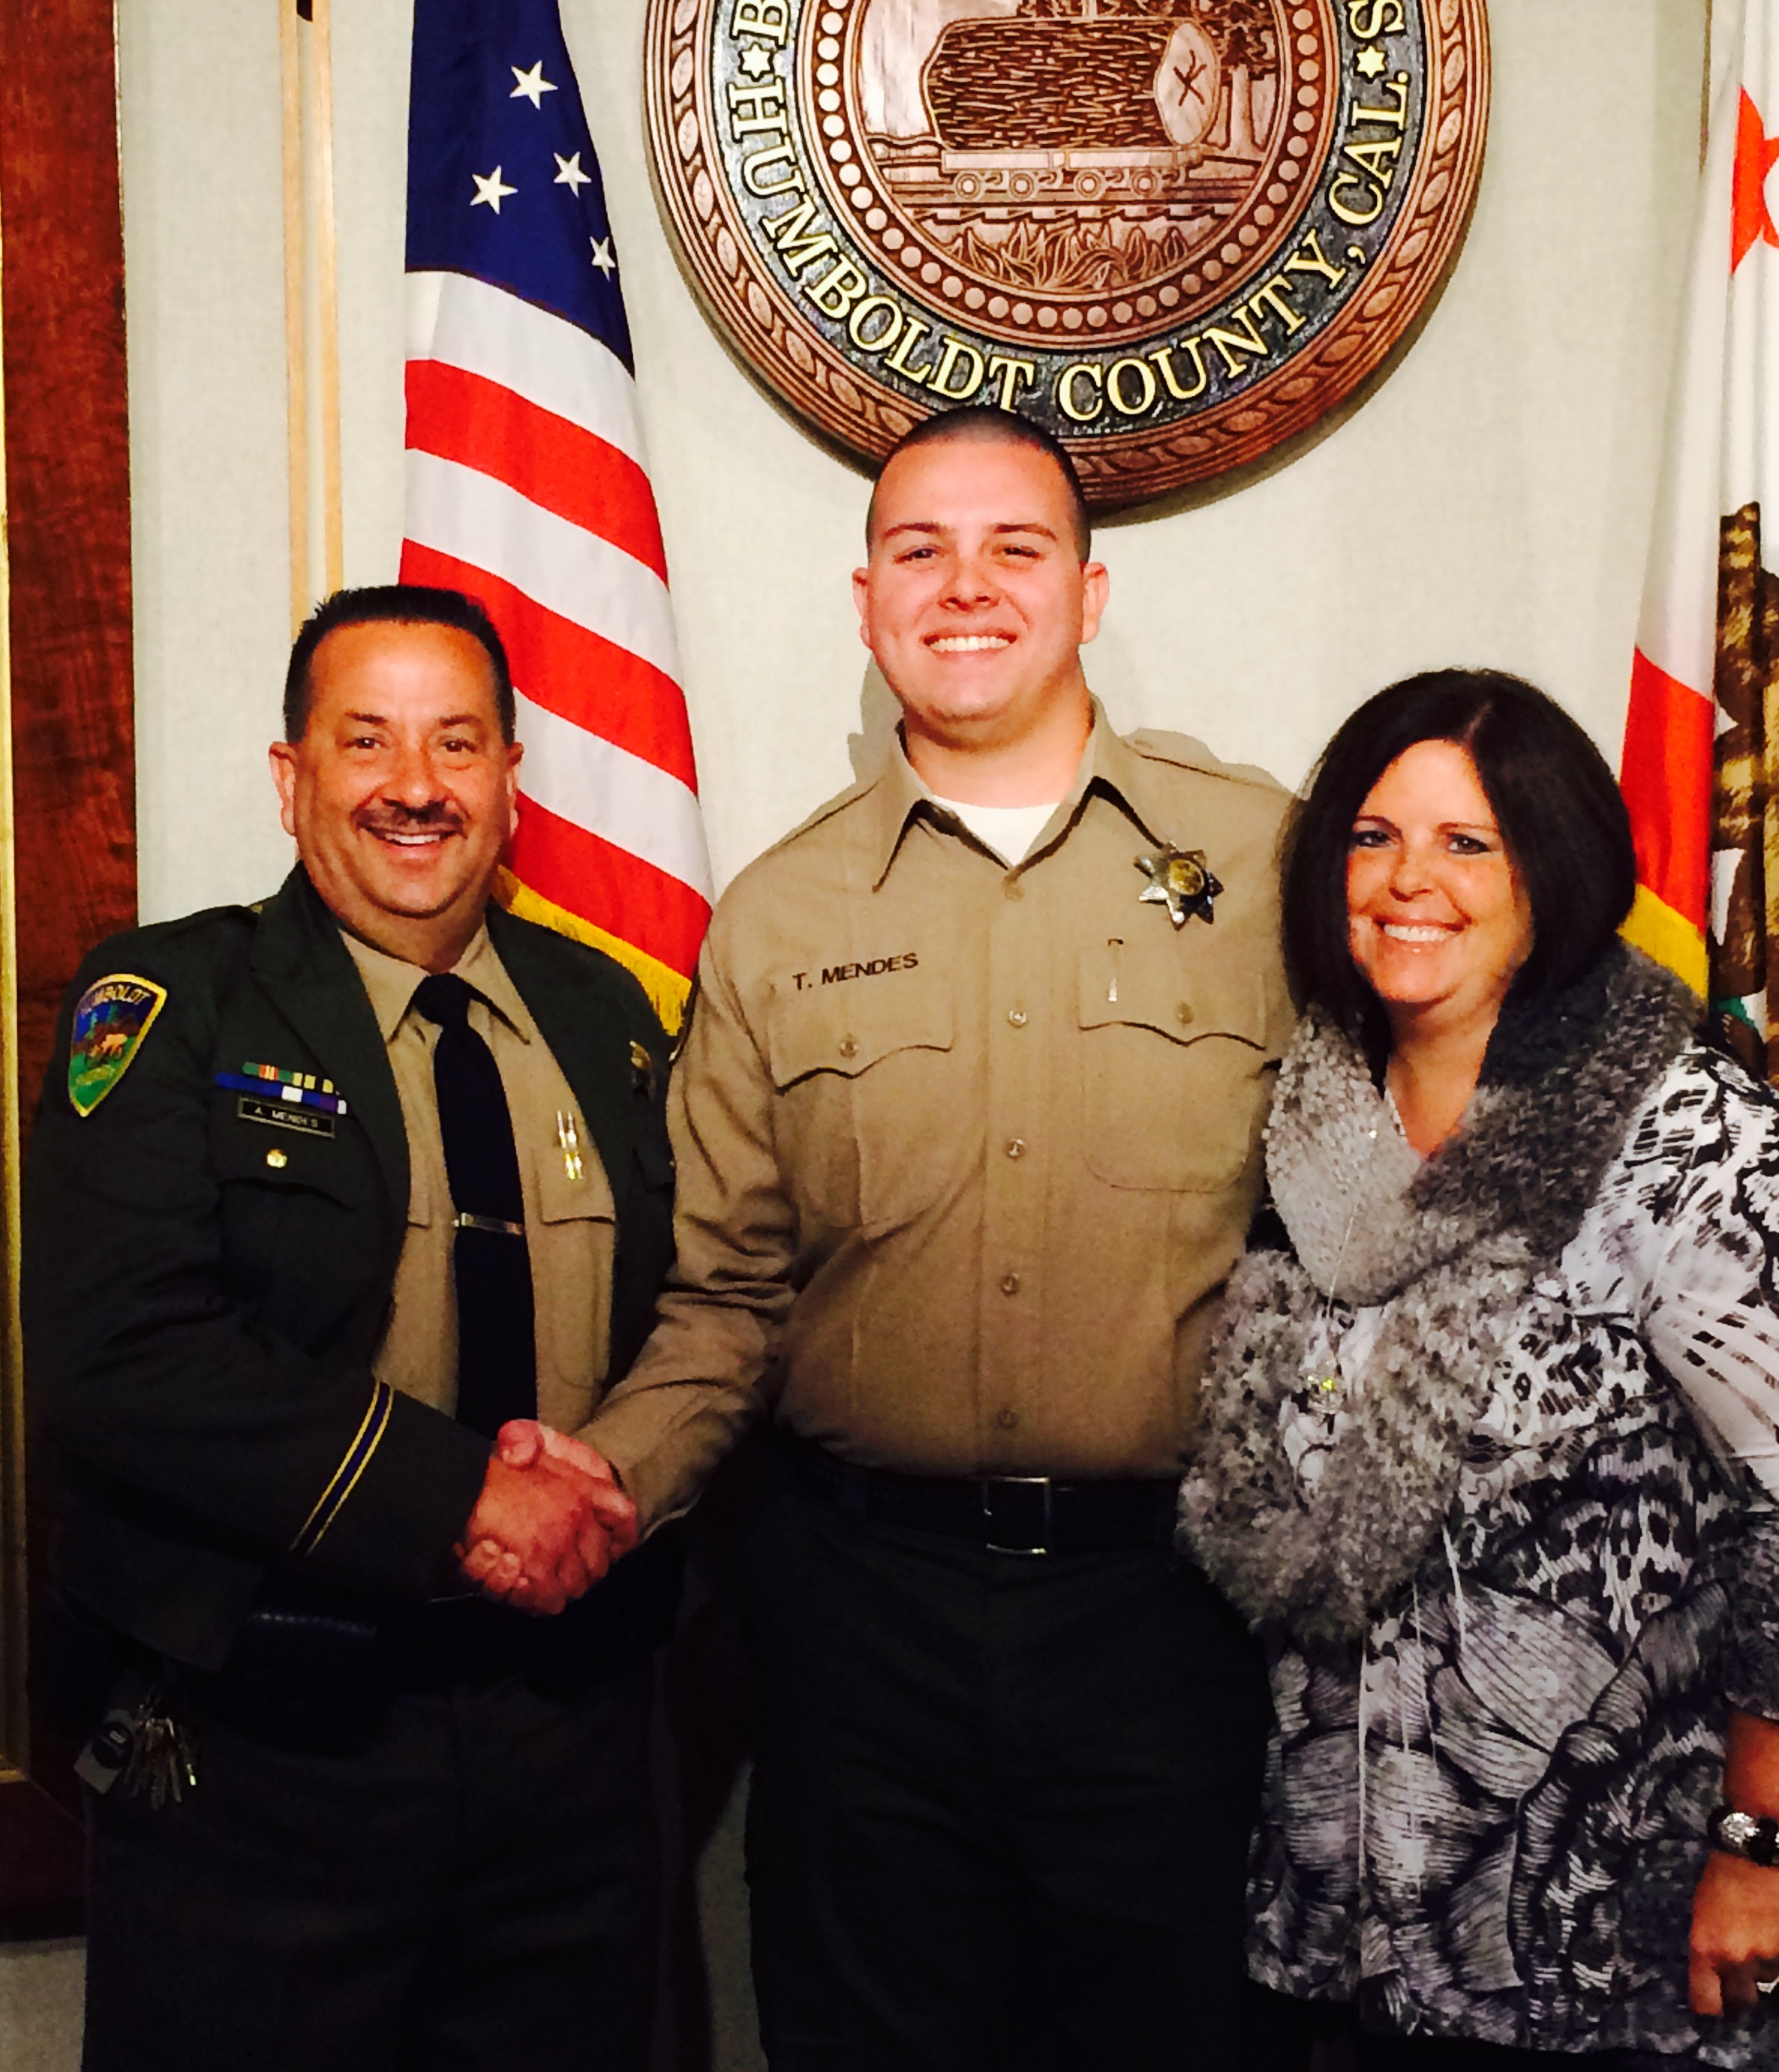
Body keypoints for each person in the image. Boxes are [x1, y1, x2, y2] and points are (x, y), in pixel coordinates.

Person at [576, 407, 1295, 2071]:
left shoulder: (1258, 862)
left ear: (1091, 595)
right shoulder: (778, 917)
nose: (965, 587)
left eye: (1014, 548)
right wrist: (602, 1484)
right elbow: (727, 1300)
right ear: (866, 595)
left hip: (1171, 1616)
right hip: (859, 1619)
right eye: (921, 550)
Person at [1177, 670, 1779, 2071]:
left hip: (1658, 1887)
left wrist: (1766, 1846)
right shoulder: (1319, 1122)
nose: (1409, 879)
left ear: (1554, 869)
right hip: (1394, 1903)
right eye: (1374, 837)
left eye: (1466, 843)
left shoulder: (1684, 1128)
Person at [23, 584, 679, 2072]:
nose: (413, 785)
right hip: (279, 1740)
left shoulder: (608, 1012)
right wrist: (462, 1499)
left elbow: (689, 1306)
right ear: (291, 776)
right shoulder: (176, 1001)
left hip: (566, 1733)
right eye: (365, 738)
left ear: (512, 779)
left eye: (457, 743)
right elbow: (120, 1357)